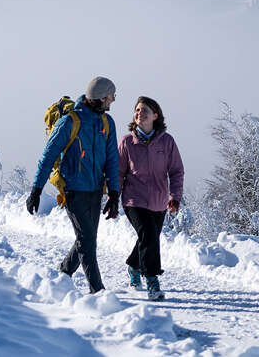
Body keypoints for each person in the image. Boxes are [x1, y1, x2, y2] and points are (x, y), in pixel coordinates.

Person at [26, 76, 120, 294]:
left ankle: (64, 273)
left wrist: (114, 194)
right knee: (87, 241)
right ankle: (98, 292)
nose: (114, 100)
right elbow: (47, 157)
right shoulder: (69, 121)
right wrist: (36, 190)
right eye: (112, 96)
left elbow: (112, 159)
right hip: (74, 191)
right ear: (102, 97)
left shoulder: (107, 123)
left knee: (86, 239)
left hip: (96, 191)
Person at [118, 96, 184, 301]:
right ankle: (152, 281)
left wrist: (175, 196)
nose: (140, 113)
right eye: (137, 110)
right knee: (148, 234)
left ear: (156, 115)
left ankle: (133, 265)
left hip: (158, 201)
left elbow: (176, 171)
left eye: (145, 110)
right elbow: (118, 173)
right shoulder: (127, 142)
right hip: (133, 200)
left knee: (148, 238)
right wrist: (112, 198)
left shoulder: (167, 141)